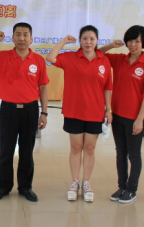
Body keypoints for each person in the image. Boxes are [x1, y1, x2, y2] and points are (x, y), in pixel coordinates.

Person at [0, 23, 49, 202]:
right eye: (18, 34)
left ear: (31, 38)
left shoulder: (38, 60)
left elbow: (43, 87)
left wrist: (44, 113)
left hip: (30, 110)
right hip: (8, 109)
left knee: (27, 151)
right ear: (13, 37)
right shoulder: (2, 57)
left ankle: (25, 187)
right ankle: (3, 186)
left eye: (25, 35)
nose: (22, 38)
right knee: (6, 150)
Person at [46, 26, 113, 202]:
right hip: (74, 110)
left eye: (92, 39)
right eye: (85, 38)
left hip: (95, 111)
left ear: (97, 41)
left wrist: (108, 110)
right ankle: (74, 182)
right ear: (80, 40)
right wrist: (63, 41)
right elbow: (50, 58)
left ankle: (86, 182)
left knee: (89, 148)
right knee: (76, 147)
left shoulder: (104, 61)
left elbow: (107, 87)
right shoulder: (70, 57)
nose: (88, 42)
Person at [100, 25, 144, 204]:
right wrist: (111, 45)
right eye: (130, 41)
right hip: (117, 115)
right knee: (120, 153)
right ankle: (122, 186)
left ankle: (132, 189)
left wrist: (140, 120)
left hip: (135, 118)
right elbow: (97, 53)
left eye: (137, 41)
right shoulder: (119, 60)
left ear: (143, 43)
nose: (133, 45)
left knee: (134, 155)